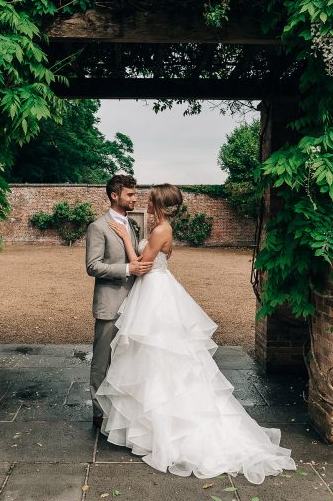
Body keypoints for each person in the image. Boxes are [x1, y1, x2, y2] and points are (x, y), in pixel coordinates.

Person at [95, 183, 297, 484]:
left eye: (150, 200)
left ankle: (166, 425)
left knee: (161, 354)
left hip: (155, 292)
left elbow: (141, 265)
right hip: (155, 291)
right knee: (152, 357)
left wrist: (125, 238)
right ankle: (150, 420)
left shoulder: (162, 230)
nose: (145, 203)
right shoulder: (160, 227)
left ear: (159, 205)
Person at [86, 175, 153, 429]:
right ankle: (98, 412)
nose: (135, 198)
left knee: (128, 359)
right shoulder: (98, 227)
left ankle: (121, 411)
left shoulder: (132, 226)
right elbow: (92, 266)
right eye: (130, 195)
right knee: (103, 361)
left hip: (136, 305)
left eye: (134, 194)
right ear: (115, 196)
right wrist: (127, 269)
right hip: (110, 305)